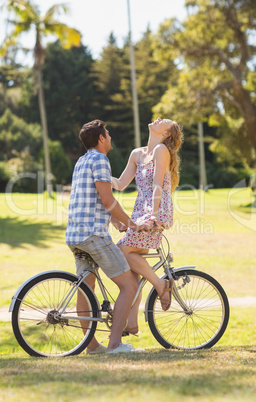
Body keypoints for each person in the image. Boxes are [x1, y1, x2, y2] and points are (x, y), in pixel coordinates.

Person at [66, 119, 152, 354]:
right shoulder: (101, 159)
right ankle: (115, 345)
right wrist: (132, 224)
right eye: (108, 133)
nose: (111, 136)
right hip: (93, 235)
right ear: (101, 138)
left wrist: (115, 220)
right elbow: (108, 199)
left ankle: (92, 346)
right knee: (129, 286)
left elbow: (94, 199)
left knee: (86, 289)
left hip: (75, 235)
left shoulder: (82, 162)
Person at [112, 117, 183, 336]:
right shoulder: (137, 153)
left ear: (166, 134)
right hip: (139, 211)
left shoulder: (161, 150)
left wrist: (153, 214)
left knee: (122, 251)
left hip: (155, 209)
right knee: (133, 272)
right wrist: (99, 176)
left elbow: (156, 184)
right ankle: (131, 324)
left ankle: (161, 286)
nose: (158, 118)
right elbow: (122, 184)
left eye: (165, 121)